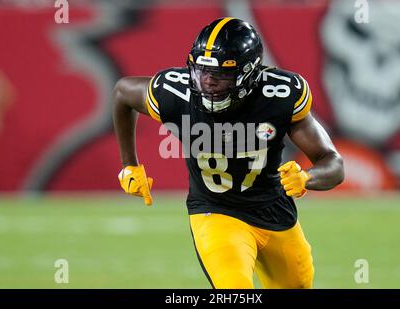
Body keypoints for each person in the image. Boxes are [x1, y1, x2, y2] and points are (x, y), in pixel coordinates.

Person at [113, 17, 344, 289]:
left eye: (221, 75)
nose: (208, 82)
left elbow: (334, 164)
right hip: (215, 211)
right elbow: (122, 93)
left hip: (273, 211)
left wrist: (307, 178)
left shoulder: (278, 95)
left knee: (298, 285)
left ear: (249, 74)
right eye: (202, 72)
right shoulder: (176, 92)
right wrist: (130, 165)